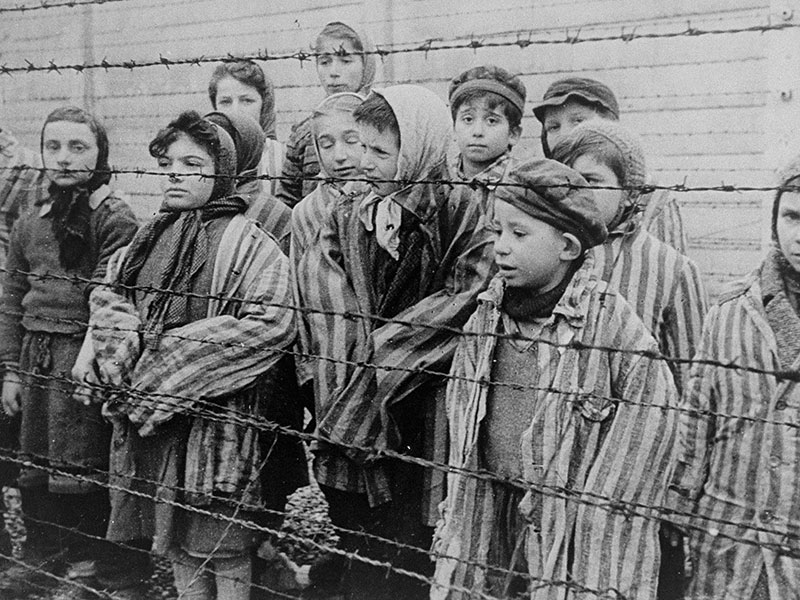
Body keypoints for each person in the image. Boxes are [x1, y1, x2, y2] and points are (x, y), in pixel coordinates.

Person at [80, 110, 304, 600]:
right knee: (176, 536)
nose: (177, 173)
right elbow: (109, 293)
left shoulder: (248, 242)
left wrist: (169, 362)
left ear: (221, 171)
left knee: (221, 540)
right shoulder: (150, 236)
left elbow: (273, 319)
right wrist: (125, 342)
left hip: (218, 418)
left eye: (193, 163)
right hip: (158, 425)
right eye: (169, 163)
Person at [432, 158, 680, 600]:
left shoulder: (611, 329)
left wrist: (593, 536)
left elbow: (647, 434)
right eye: (497, 231)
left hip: (572, 534)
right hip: (491, 514)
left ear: (567, 247)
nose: (501, 248)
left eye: (519, 234)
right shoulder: (487, 318)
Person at [295, 85, 494, 600]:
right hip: (362, 388)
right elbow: (328, 285)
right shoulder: (354, 209)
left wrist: (379, 357)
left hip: (427, 389)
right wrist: (350, 369)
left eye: (382, 153)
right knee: (367, 525)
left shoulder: (463, 208)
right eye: (362, 147)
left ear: (423, 149)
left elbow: (465, 292)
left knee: (418, 530)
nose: (364, 162)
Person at [551, 120, 707, 599]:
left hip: (636, 452)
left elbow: (691, 380)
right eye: (569, 179)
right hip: (558, 444)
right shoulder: (550, 251)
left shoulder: (669, 267)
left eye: (595, 182)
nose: (580, 191)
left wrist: (680, 482)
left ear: (631, 191)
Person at [0, 107, 138, 595]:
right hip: (35, 358)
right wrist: (11, 372)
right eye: (53, 147)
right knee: (35, 458)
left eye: (78, 147)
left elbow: (110, 296)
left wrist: (90, 360)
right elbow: (13, 298)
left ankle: (91, 564)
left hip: (83, 358)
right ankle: (44, 552)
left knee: (85, 462)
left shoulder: (113, 217)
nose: (63, 158)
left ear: (100, 153)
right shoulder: (29, 221)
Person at [669, 155, 800, 600]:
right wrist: (679, 508)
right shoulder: (729, 314)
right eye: (792, 216)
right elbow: (695, 420)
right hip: (728, 547)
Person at [533, 76, 688, 254]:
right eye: (553, 127)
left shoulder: (656, 200)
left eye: (578, 121)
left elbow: (669, 271)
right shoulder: (543, 190)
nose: (566, 134)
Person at [275, 21, 376, 208]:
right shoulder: (304, 132)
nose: (334, 72)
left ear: (366, 64)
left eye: (345, 61)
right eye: (324, 62)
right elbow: (288, 199)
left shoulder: (383, 123)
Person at [204, 110, 292, 253]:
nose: (213, 157)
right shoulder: (188, 202)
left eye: (222, 149)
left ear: (247, 149)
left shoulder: (274, 214)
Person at [208, 60, 284, 195]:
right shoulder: (203, 156)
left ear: (264, 105)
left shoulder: (283, 158)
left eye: (247, 101)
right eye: (225, 102)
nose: (235, 110)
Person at [449, 65, 525, 183]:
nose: (477, 132)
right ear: (453, 129)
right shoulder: (436, 182)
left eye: (491, 121)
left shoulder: (523, 183)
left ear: (513, 134)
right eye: (468, 119)